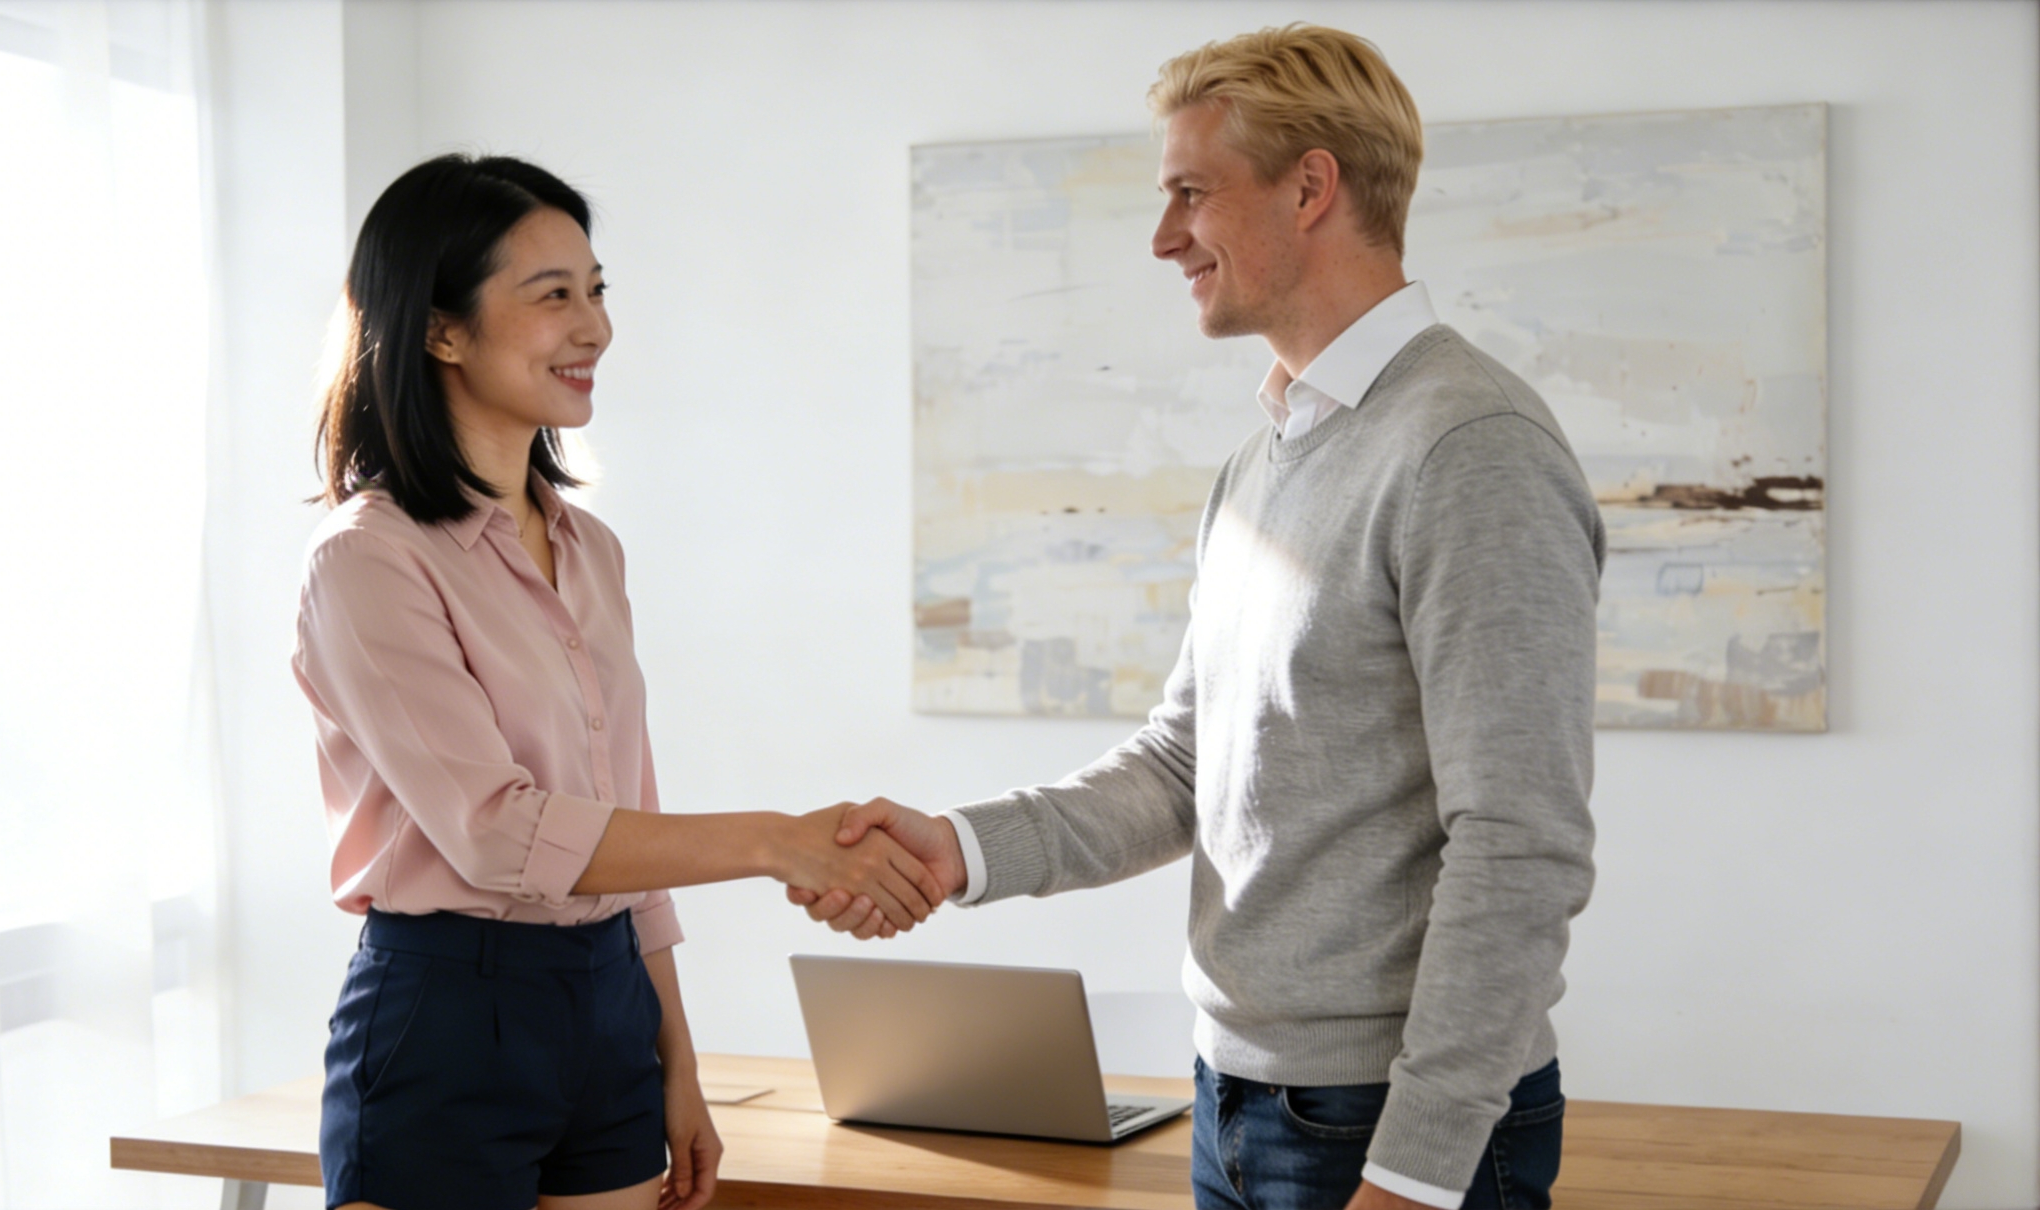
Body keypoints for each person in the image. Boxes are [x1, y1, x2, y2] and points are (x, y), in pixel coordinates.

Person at [794, 25, 1604, 1210]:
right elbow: (1187, 763)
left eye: (1189, 193)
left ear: (1310, 186)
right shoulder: (1268, 455)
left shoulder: (1468, 448)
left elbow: (1520, 843)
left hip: (1382, 1133)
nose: (1164, 236)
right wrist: (958, 848)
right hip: (1236, 1105)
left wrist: (1415, 1171)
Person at [296, 154, 947, 1210]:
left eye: (596, 291)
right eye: (552, 295)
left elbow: (620, 821)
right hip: (448, 1008)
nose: (592, 327)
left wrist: (671, 1054)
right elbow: (498, 833)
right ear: (439, 328)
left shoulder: (587, 547)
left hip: (606, 1003)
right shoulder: (368, 559)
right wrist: (769, 838)